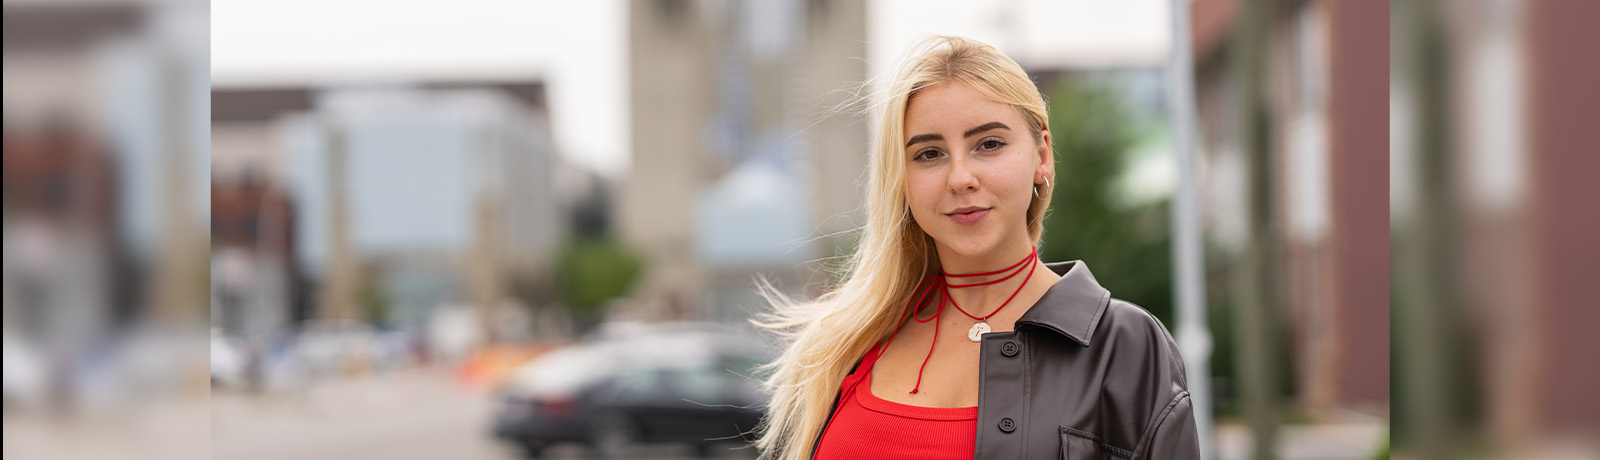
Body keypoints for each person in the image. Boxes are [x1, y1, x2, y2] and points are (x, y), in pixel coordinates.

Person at [753, 36, 1200, 460]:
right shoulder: (845, 345)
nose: (960, 177)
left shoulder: (1122, 346)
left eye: (989, 144)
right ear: (901, 180)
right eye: (929, 153)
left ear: (1041, 155)